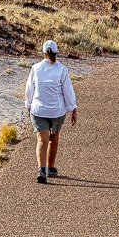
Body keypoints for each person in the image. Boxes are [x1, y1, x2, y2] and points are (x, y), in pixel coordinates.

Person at [24, 40, 78, 184]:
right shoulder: (62, 69)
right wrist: (72, 108)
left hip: (39, 110)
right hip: (57, 111)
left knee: (42, 140)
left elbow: (30, 88)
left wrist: (28, 104)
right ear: (56, 53)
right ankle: (50, 167)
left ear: (43, 52)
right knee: (53, 138)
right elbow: (67, 90)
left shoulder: (35, 68)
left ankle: (41, 170)